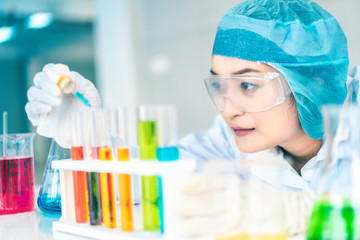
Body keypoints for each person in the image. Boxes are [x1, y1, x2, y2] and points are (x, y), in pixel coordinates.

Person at [25, 0, 359, 238]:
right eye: (219, 85)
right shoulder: (233, 137)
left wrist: (299, 211)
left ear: (311, 82)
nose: (228, 109)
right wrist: (92, 137)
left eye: (247, 85)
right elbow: (158, 181)